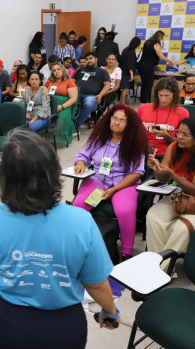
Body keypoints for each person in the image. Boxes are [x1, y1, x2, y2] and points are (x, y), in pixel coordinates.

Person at [0, 129, 119, 348]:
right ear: (53, 172)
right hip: (61, 328)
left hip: (3, 323)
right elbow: (96, 284)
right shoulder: (81, 221)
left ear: (6, 178)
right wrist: (111, 313)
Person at [146, 116, 195, 271]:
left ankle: (160, 270)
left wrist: (172, 173)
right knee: (154, 217)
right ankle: (158, 264)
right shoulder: (174, 147)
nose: (179, 137)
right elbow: (162, 178)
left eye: (185, 134)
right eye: (178, 132)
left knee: (182, 228)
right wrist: (157, 169)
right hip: (183, 193)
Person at [73, 104, 147, 260]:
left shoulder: (135, 142)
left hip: (124, 183)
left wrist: (114, 189)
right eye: (114, 118)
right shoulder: (100, 138)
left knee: (124, 210)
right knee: (79, 205)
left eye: (122, 121)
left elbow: (137, 172)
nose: (116, 123)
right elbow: (83, 155)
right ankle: (77, 244)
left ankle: (126, 253)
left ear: (129, 125)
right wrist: (80, 163)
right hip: (98, 180)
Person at [137, 77, 189, 157]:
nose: (163, 99)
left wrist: (166, 136)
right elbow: (130, 133)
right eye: (160, 95)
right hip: (142, 152)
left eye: (167, 96)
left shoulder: (182, 113)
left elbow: (184, 143)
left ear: (174, 95)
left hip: (167, 155)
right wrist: (139, 129)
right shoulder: (143, 108)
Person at [138, 31, 179, 103]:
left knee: (145, 85)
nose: (162, 39)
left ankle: (143, 102)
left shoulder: (147, 42)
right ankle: (145, 103)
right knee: (148, 85)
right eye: (162, 37)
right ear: (159, 36)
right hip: (148, 66)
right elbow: (161, 56)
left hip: (141, 66)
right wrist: (171, 61)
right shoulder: (156, 44)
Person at [72, 52, 111, 128]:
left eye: (91, 58)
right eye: (87, 59)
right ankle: (66, 124)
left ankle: (75, 126)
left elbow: (108, 85)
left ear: (96, 59)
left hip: (91, 96)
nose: (89, 60)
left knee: (88, 104)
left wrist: (100, 95)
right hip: (76, 94)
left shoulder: (102, 71)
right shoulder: (80, 70)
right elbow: (72, 81)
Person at [44, 62, 78, 146]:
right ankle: (45, 137)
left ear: (63, 70)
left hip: (65, 106)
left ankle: (52, 139)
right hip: (50, 105)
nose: (56, 71)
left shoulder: (69, 81)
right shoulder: (49, 81)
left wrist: (62, 107)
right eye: (54, 70)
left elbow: (73, 98)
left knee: (60, 119)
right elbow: (42, 92)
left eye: (58, 69)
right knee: (44, 118)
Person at [119, 37, 141, 104]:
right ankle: (122, 103)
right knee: (125, 89)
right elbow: (130, 64)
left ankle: (123, 102)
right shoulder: (131, 51)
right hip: (126, 73)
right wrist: (131, 74)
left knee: (124, 88)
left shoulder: (126, 49)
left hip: (123, 71)